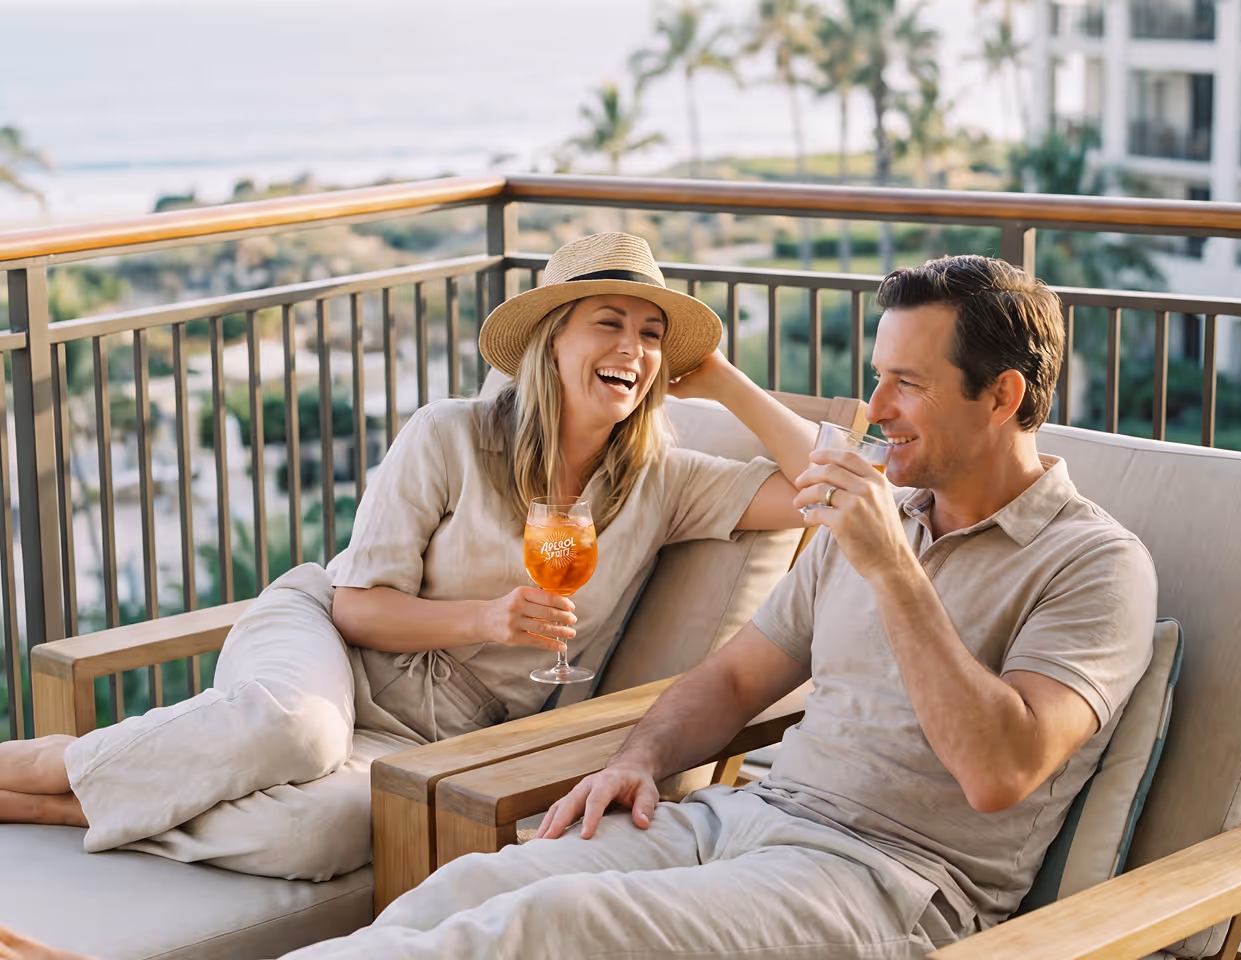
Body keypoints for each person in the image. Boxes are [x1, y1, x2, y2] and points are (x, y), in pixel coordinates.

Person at [264, 253, 1154, 959]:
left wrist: (892, 571)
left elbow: (1001, 772)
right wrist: (639, 757)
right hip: (735, 820)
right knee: (459, 895)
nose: (876, 410)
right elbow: (731, 679)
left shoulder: (1093, 564)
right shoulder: (884, 519)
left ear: (1002, 396)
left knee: (545, 928)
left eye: (907, 384)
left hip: (883, 880)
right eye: (879, 378)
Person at [0, 232, 820, 884]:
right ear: (550, 339)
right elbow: (357, 605)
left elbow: (842, 488)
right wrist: (489, 618)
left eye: (651, 335)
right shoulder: (450, 433)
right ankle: (22, 768)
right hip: (332, 645)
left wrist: (721, 380)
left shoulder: (665, 481)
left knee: (320, 833)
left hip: (439, 739)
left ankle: (49, 807)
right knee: (297, 732)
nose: (634, 350)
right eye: (609, 322)